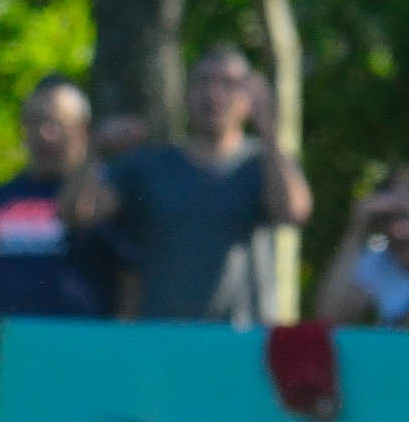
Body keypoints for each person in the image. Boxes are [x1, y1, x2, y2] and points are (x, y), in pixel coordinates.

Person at [61, 46, 312, 325]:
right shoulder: (150, 165)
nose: (213, 94)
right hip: (164, 340)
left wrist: (268, 127)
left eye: (228, 84)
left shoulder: (263, 164)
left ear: (248, 98)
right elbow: (76, 214)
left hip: (242, 342)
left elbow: (293, 211)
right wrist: (95, 150)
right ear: (187, 93)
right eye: (203, 82)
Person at [0, 77, 122, 422]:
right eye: (34, 122)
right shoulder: (0, 198)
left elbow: (128, 278)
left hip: (78, 371)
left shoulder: (105, 198)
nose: (45, 134)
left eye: (57, 123)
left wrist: (120, 349)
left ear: (83, 131)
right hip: (2, 370)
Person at [314, 166, 409, 327]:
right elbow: (329, 318)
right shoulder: (380, 261)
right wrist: (357, 231)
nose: (399, 230)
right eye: (392, 217)